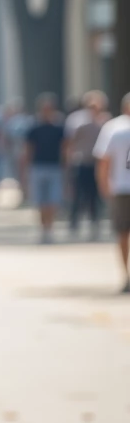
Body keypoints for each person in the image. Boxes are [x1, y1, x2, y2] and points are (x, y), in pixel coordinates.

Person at [93, 94, 130, 293]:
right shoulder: (114, 128)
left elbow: (103, 161)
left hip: (121, 188)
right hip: (121, 187)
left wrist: (104, 186)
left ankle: (126, 274)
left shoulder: (113, 128)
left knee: (123, 233)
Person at [23, 92, 66, 243]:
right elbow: (28, 149)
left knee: (53, 201)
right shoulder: (33, 127)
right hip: (38, 167)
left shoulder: (59, 127)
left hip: (54, 167)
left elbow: (64, 148)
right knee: (41, 201)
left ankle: (50, 227)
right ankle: (43, 228)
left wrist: (66, 166)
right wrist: (26, 169)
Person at [64, 90, 108, 236]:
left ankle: (95, 223)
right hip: (80, 162)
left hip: (96, 162)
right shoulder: (77, 120)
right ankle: (73, 223)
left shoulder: (104, 121)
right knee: (78, 194)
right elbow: (69, 143)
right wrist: (68, 162)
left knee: (94, 195)